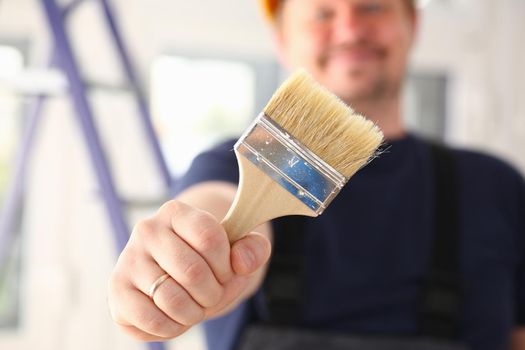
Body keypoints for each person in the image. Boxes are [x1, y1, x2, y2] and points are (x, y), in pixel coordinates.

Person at [107, 0, 525, 349]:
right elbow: (211, 202)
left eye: (372, 7)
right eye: (322, 14)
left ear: (411, 25)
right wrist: (186, 249)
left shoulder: (495, 186)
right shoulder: (238, 161)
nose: (348, 30)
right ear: (282, 40)